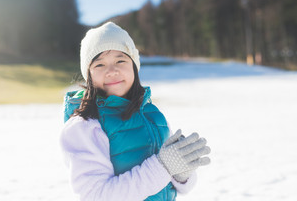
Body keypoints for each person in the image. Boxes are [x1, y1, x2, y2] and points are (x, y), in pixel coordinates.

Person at [60, 21, 211, 201]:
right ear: (89, 74)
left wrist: (181, 174)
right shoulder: (84, 127)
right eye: (99, 65)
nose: (111, 70)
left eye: (120, 60)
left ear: (134, 66)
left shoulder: (153, 115)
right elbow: (96, 196)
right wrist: (163, 166)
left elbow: (175, 185)